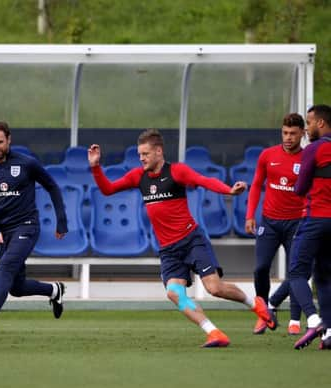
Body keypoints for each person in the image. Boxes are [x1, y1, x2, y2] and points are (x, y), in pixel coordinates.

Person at [88, 129, 274, 348]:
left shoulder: (177, 172)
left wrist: (229, 191)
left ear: (159, 151)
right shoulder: (138, 176)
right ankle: (214, 333)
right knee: (174, 293)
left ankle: (255, 303)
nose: (142, 158)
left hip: (191, 240)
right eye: (140, 154)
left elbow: (204, 181)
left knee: (214, 288)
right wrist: (95, 167)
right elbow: (107, 189)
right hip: (168, 249)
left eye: (145, 154)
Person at [0, 121, 67, 340]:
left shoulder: (27, 163)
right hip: (3, 232)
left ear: (8, 140)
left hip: (27, 226)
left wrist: (61, 220)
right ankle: (54, 290)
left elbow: (52, 186)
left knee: (5, 268)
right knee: (15, 287)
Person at [245, 113, 306, 335]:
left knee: (296, 272)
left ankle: (294, 320)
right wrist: (250, 215)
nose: (288, 137)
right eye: (285, 133)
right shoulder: (267, 155)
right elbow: (256, 185)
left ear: (302, 133)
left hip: (297, 222)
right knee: (260, 268)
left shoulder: (308, 158)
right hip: (269, 222)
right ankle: (263, 314)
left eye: (293, 133)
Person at [288, 104, 331, 350]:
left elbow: (300, 188)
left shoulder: (314, 149)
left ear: (321, 124)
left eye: (310, 122)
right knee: (325, 277)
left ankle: (314, 320)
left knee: (296, 273)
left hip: (315, 219)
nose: (307, 128)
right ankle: (330, 334)